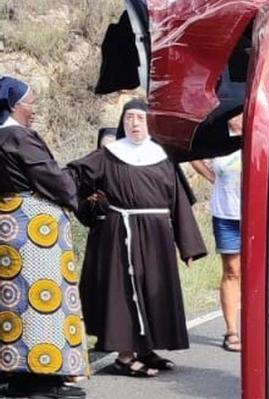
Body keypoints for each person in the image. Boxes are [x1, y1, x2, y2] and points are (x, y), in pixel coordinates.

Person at [67, 99, 206, 378]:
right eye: (129, 118)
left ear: (150, 122)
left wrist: (187, 245)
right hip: (121, 233)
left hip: (157, 236)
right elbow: (70, 177)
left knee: (154, 290)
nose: (134, 123)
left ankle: (145, 350)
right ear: (122, 122)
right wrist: (91, 204)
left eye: (140, 118)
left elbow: (178, 202)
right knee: (124, 295)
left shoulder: (162, 157)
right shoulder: (108, 156)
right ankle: (125, 355)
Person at [0, 76, 88, 398]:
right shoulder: (18, 137)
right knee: (42, 301)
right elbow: (55, 181)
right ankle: (43, 380)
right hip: (34, 232)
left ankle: (17, 377)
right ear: (14, 105)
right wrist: (75, 184)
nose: (33, 109)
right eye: (30, 102)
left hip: (7, 227)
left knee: (15, 303)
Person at [190, 114, 242, 352]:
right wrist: (211, 177)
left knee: (257, 275)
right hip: (226, 215)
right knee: (232, 271)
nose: (237, 118)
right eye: (233, 114)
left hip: (256, 215)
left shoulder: (259, 132)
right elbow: (193, 153)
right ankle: (232, 331)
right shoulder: (218, 139)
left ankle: (257, 329)